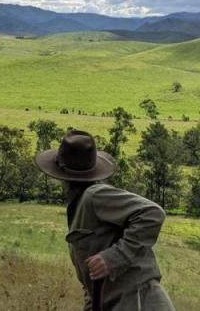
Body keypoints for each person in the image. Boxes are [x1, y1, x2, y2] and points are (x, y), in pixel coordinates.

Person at [35, 129, 175, 311]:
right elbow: (91, 282)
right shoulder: (80, 205)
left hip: (139, 301)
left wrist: (115, 256)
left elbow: (152, 213)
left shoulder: (95, 195)